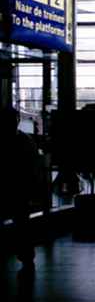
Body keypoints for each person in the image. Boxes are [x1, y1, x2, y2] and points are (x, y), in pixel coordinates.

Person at [0, 107, 40, 273]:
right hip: (20, 188)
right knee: (22, 222)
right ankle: (26, 255)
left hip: (9, 187)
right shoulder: (25, 141)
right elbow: (32, 166)